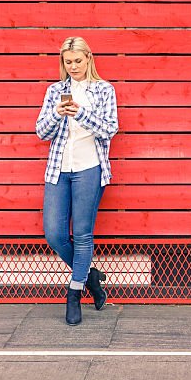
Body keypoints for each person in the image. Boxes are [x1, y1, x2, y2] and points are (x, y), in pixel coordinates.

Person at [35, 37, 118, 325]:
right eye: (68, 62)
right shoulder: (55, 91)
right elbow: (41, 132)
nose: (73, 67)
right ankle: (92, 278)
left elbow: (110, 129)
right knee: (54, 233)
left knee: (82, 234)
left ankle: (74, 292)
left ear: (88, 58)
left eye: (78, 61)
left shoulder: (104, 90)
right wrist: (57, 115)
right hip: (59, 168)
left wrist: (81, 113)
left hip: (90, 168)